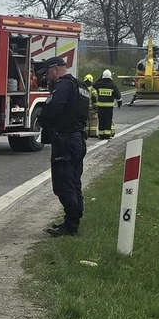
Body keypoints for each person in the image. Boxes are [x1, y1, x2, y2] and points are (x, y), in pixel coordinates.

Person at [36, 57, 90, 237]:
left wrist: (43, 118)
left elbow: (53, 108)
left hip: (65, 139)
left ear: (57, 69)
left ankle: (71, 225)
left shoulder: (63, 86)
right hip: (78, 138)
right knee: (74, 180)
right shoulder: (81, 86)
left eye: (48, 72)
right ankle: (75, 218)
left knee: (63, 182)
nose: (46, 76)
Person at [93, 70, 122, 140]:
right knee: (107, 121)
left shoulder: (99, 84)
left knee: (101, 120)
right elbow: (118, 96)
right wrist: (119, 104)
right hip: (109, 107)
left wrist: (100, 78)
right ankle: (107, 135)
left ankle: (101, 135)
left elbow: (94, 85)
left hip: (100, 106)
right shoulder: (113, 85)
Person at [82, 74, 99, 138]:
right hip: (92, 109)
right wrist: (96, 107)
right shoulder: (93, 90)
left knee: (85, 121)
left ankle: (85, 133)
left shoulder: (82, 89)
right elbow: (94, 99)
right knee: (93, 121)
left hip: (84, 109)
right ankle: (92, 133)